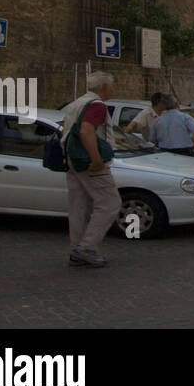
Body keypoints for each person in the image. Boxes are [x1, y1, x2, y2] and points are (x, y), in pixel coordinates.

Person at [60, 71, 120, 268]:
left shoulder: (76, 103)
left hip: (72, 160)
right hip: (88, 161)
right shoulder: (96, 105)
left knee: (79, 206)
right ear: (103, 87)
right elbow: (86, 130)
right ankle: (86, 248)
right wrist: (96, 159)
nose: (113, 89)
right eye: (111, 85)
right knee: (110, 203)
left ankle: (76, 249)